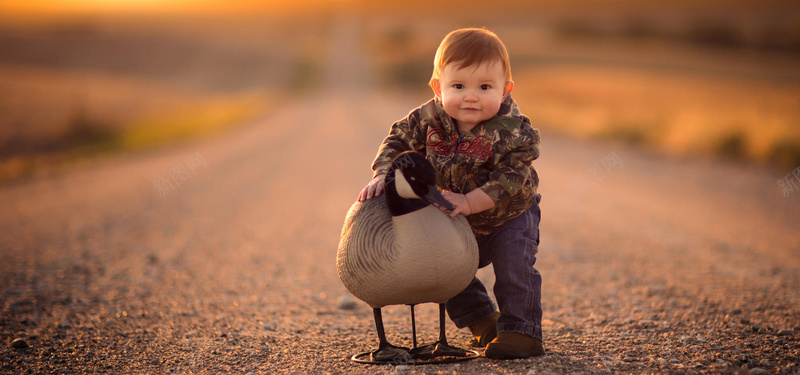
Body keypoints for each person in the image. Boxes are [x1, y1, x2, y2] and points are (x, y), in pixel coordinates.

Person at [357, 27, 544, 359]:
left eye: (485, 87)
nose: (470, 96)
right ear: (437, 87)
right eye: (458, 86)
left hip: (508, 217)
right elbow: (397, 141)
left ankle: (521, 330)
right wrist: (383, 172)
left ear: (505, 90)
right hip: (454, 214)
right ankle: (483, 321)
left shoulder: (513, 129)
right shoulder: (428, 118)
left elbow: (512, 176)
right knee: (443, 269)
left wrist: (472, 201)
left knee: (513, 268)